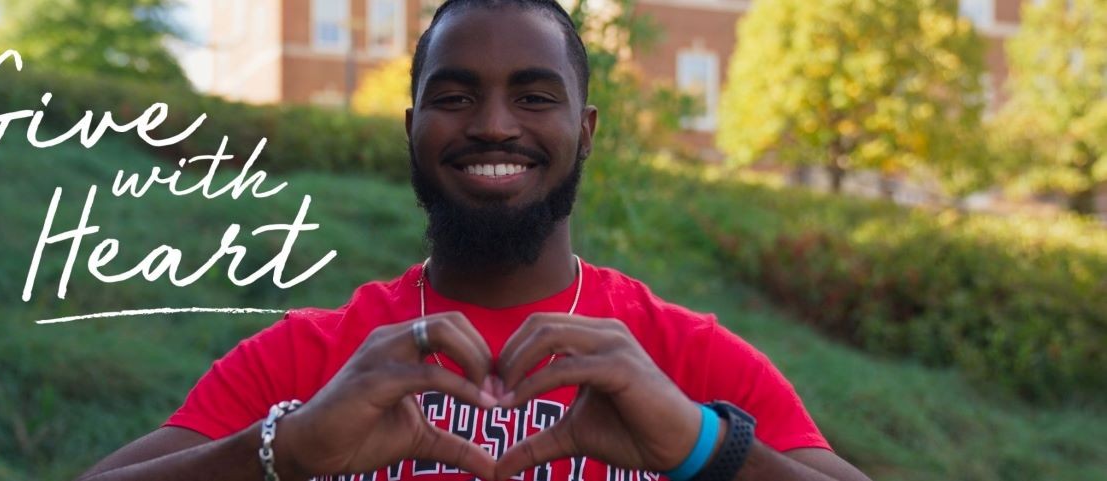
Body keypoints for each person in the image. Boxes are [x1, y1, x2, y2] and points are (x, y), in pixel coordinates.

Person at [75, 1, 872, 481]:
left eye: (533, 96)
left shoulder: (678, 356)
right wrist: (284, 451)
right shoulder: (315, 357)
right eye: (454, 96)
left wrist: (701, 447)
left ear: (584, 130)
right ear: (411, 125)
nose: (493, 123)